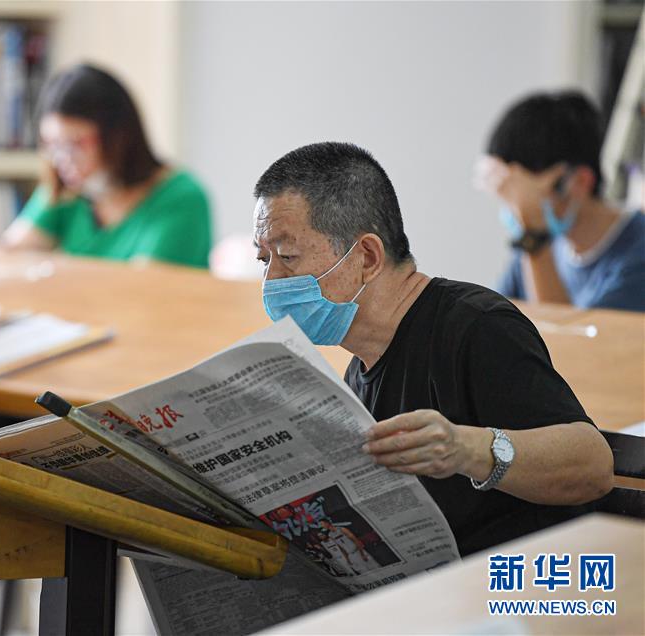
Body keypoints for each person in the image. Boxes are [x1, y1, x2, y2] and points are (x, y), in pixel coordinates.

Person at [254, 142, 614, 556]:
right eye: (264, 260)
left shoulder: (476, 326)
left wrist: (467, 449)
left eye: (287, 256)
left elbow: (594, 465)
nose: (271, 282)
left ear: (367, 257)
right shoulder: (359, 373)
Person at [0, 64, 212, 268]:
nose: (63, 159)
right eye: (52, 145)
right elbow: (6, 255)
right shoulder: (66, 190)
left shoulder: (181, 197)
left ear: (118, 137)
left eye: (76, 144)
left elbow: (144, 287)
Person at [476, 90, 645, 311]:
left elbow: (566, 331)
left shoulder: (638, 254)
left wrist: (534, 238)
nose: (518, 211)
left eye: (524, 197)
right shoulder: (537, 248)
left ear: (580, 181)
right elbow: (493, 319)